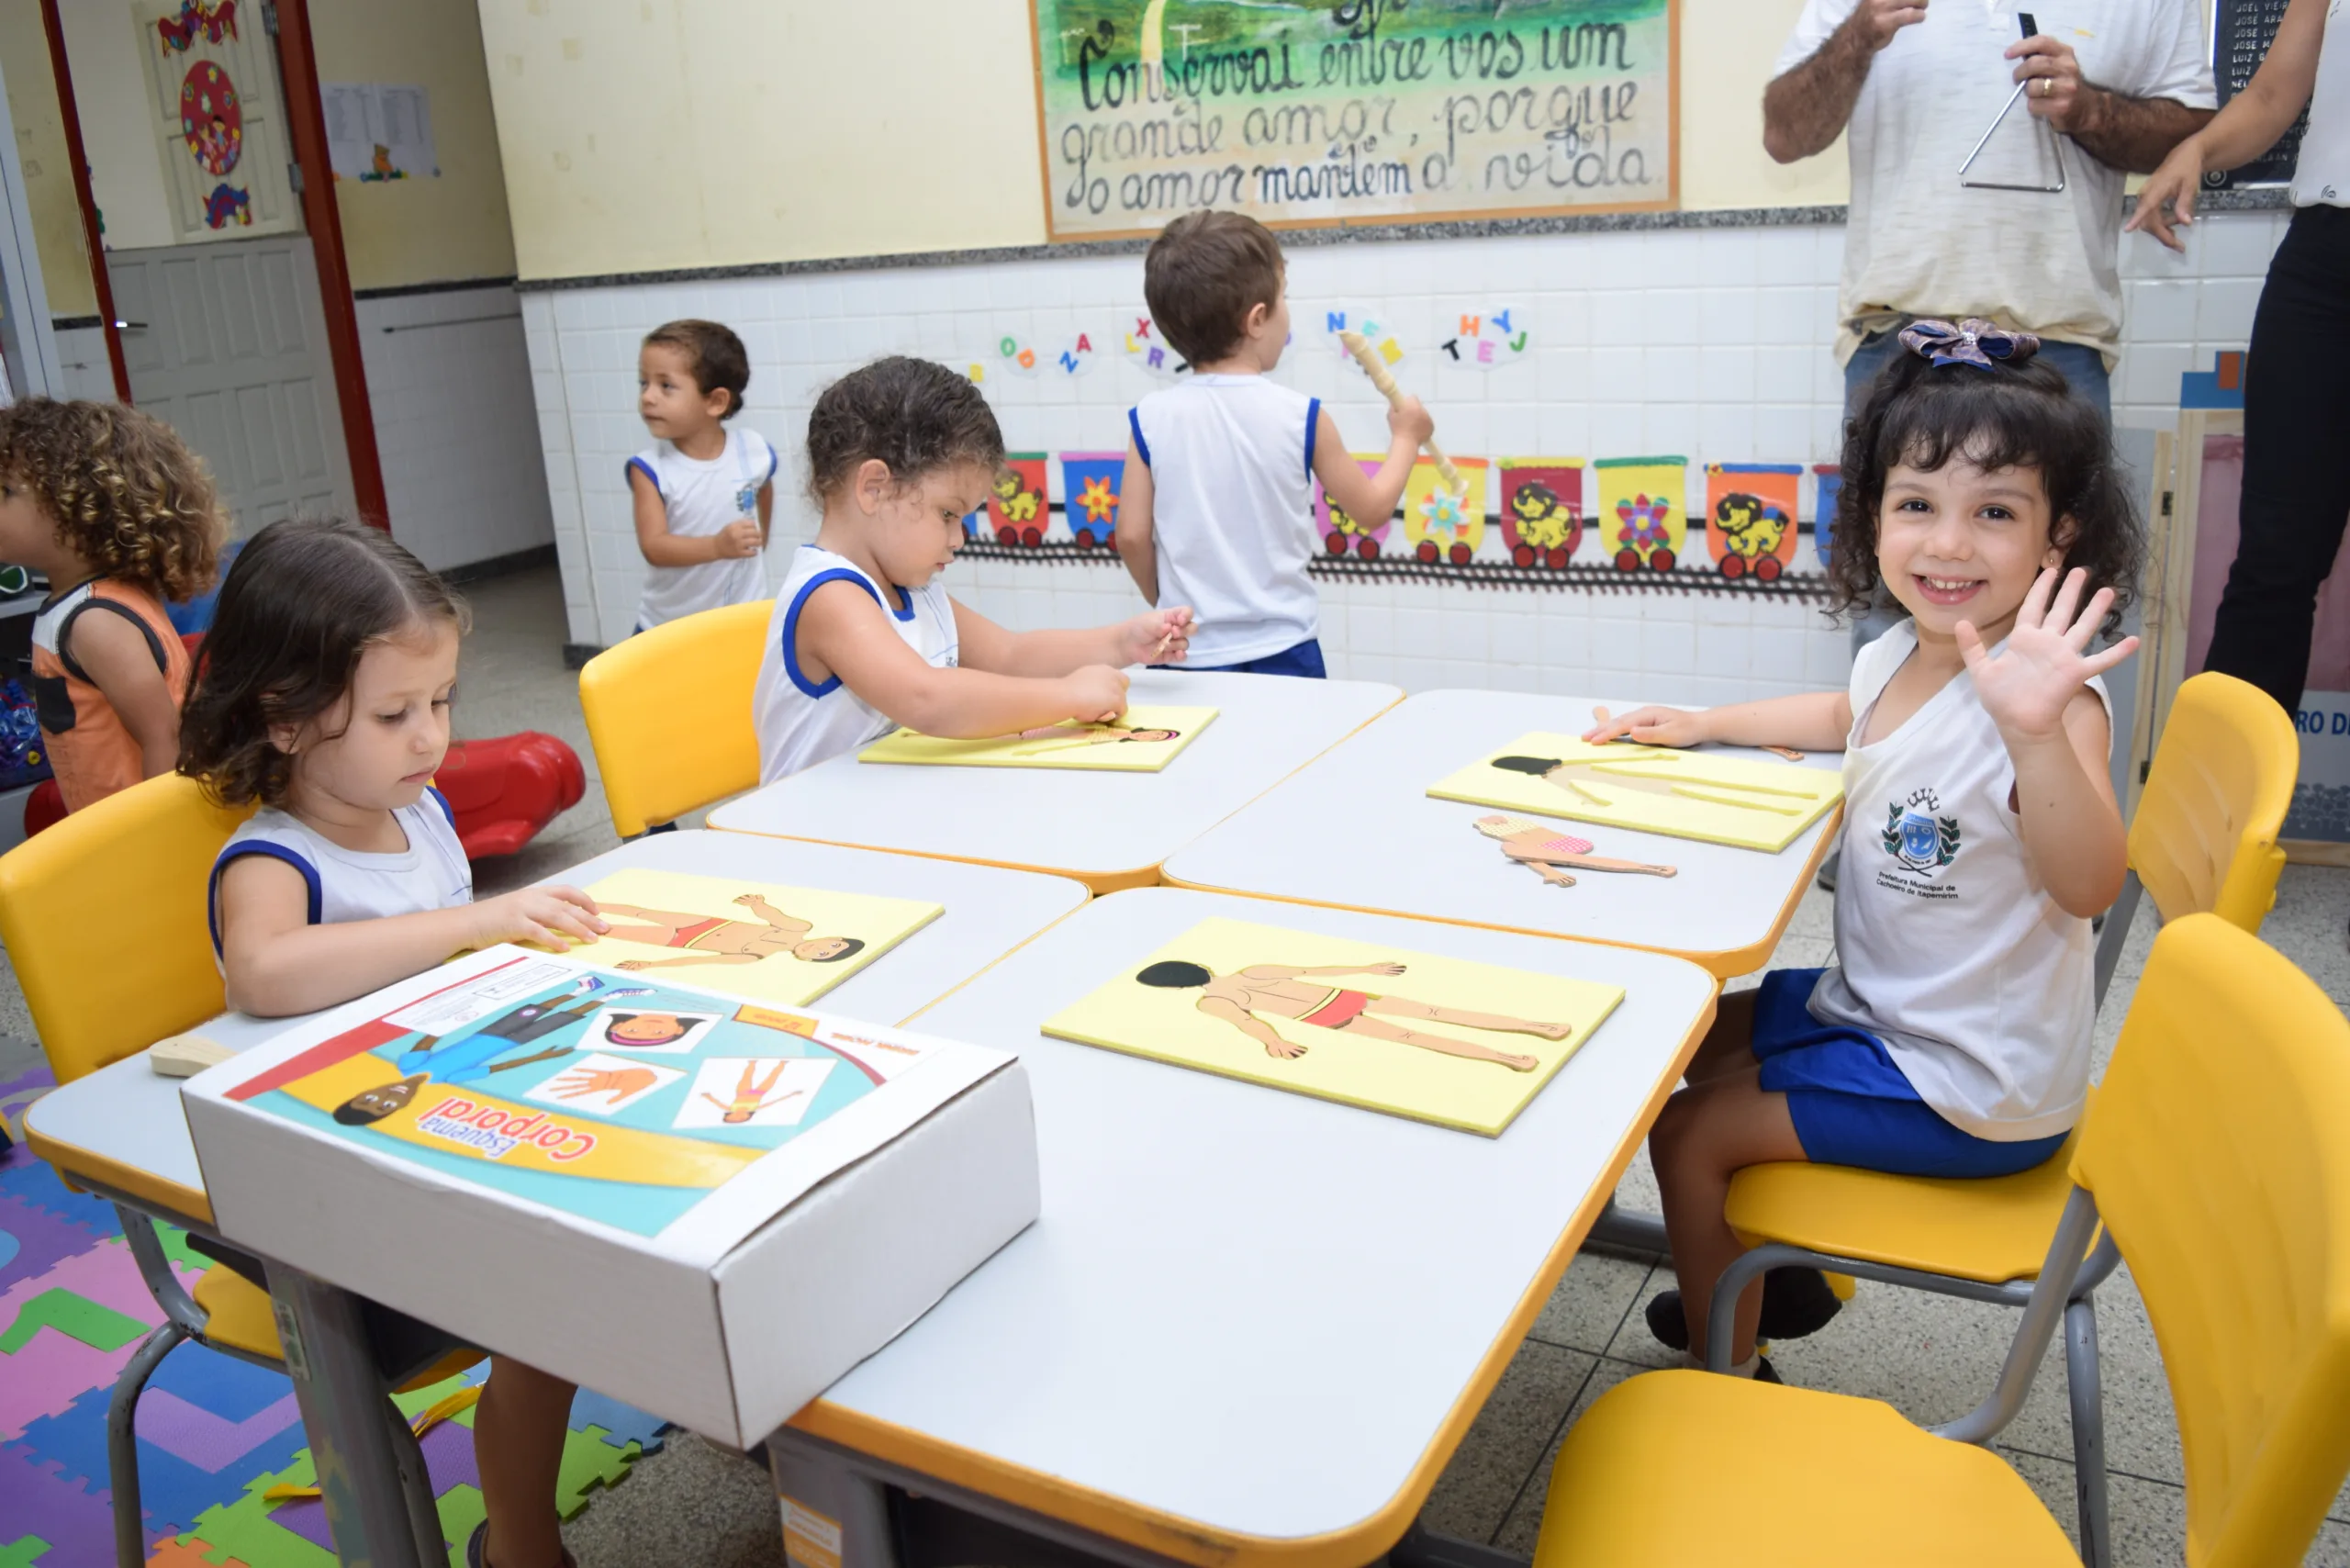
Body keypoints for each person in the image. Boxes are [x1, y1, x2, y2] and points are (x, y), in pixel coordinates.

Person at [1585, 326, 2142, 1380]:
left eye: (1994, 512)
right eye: (1916, 504)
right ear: (1874, 515)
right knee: (1679, 1030)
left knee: (1687, 1135)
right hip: (1886, 1007)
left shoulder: (2047, 702)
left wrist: (2030, 729)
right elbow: (1842, 708)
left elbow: (2089, 882)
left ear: (2054, 538)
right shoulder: (1902, 648)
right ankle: (1766, 1271)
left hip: (1969, 1079)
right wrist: (1710, 723)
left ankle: (1730, 1372)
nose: (1947, 543)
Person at [180, 516, 608, 1568]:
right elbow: (264, 971)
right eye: (394, 712)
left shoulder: (412, 811)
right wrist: (470, 926)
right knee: (557, 1300)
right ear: (283, 720)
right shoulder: (274, 859)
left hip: (448, 1118)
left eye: (442, 702)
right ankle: (520, 1541)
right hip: (331, 1196)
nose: (431, 737)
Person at [1764, 0, 2216, 427]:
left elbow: (2195, 138)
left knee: (2063, 511)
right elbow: (1784, 136)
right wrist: (1857, 36)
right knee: (1888, 512)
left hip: (2062, 346)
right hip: (1895, 341)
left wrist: (2091, 111)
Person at [754, 356, 1192, 781]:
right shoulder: (829, 596)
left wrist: (1121, 642)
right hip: (806, 841)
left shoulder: (915, 592)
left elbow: (1010, 656)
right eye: (948, 514)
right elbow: (926, 697)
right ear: (874, 489)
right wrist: (1069, 696)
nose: (958, 539)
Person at [2129, 0, 2344, 727]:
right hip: (2326, 263)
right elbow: (2273, 96)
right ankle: (2222, 821)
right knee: (2274, 562)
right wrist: (2194, 149)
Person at [1113, 210, 1432, 678]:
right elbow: (1372, 510)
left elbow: (1132, 536)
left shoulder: (1150, 418)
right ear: (1258, 319)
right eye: (1284, 298)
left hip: (1187, 653)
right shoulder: (1302, 417)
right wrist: (1407, 437)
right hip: (1285, 651)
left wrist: (1167, 603)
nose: (1288, 311)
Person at [0, 399, 225, 812]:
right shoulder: (81, 604)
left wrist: (160, 835)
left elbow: (164, 737)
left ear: (80, 507)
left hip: (137, 840)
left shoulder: (96, 622)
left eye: (7, 492)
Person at [1135, 958, 1566, 1071]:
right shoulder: (1251, 970)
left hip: (1328, 1014)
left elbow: (1248, 1022)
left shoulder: (1210, 1002)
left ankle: (1504, 1057)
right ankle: (1533, 1026)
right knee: (1439, 1011)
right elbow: (1312, 971)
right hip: (1344, 996)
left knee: (1415, 1038)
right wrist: (1365, 969)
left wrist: (1274, 1042)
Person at [628, 319, 777, 633]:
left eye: (665, 385)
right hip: (670, 629)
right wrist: (717, 547)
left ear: (715, 401)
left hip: (742, 619)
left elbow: (763, 486)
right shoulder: (651, 470)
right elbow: (654, 547)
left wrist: (760, 535)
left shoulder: (752, 450)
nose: (648, 397)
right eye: (644, 383)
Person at [599, 892, 866, 970]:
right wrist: (758, 905)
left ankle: (581, 920)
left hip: (684, 941)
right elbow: (775, 916)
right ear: (834, 937)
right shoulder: (799, 929)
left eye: (823, 955)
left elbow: (703, 960)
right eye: (832, 946)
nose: (820, 949)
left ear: (809, 960)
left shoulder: (755, 957)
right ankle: (591, 903)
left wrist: (650, 964)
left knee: (613, 931)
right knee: (642, 912)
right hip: (710, 923)